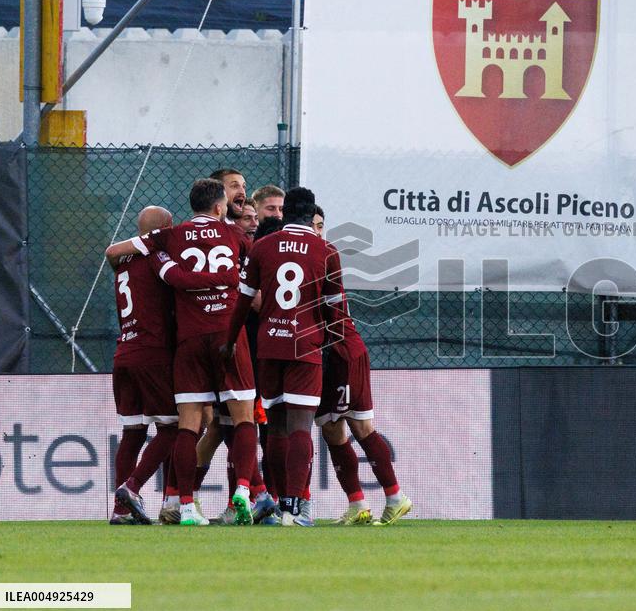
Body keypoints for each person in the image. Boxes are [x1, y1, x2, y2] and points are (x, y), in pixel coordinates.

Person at [106, 179, 260, 526]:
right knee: (197, 425)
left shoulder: (140, 259)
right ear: (220, 206)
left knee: (142, 431)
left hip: (129, 351)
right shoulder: (228, 236)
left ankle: (171, 505)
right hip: (173, 347)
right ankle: (169, 497)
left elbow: (114, 253)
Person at [224, 188, 341, 526]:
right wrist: (332, 345)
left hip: (269, 346)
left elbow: (243, 299)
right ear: (312, 215)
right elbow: (336, 308)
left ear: (285, 212)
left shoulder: (262, 246)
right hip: (306, 346)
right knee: (301, 427)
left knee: (274, 427)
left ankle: (275, 499)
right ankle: (296, 507)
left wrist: (230, 340)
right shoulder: (325, 249)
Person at [312, 206, 413, 526]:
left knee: (355, 427)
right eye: (312, 225)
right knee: (334, 431)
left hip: (341, 352)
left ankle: (395, 497)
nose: (317, 230)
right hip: (340, 352)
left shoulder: (323, 255)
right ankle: (359, 504)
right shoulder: (315, 256)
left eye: (320, 225)